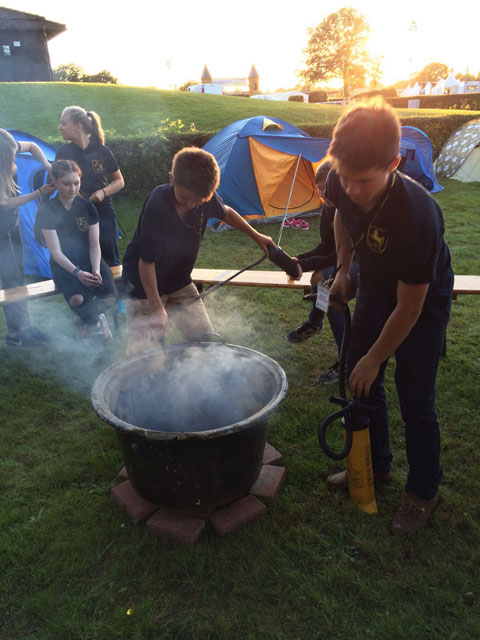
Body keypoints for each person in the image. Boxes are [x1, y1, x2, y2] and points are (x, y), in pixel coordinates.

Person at [324, 98, 454, 534]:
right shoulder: (341, 177)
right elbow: (340, 215)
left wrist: (376, 356)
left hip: (422, 303)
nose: (352, 189)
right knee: (360, 382)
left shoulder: (419, 216)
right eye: (345, 177)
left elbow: (411, 307)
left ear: (394, 164)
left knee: (414, 397)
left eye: (364, 181)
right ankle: (376, 465)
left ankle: (423, 490)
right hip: (376, 286)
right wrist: (344, 269)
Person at [122, 147, 275, 355]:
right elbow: (146, 262)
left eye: (199, 201)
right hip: (142, 285)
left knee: (204, 340)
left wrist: (257, 236)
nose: (192, 205)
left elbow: (226, 212)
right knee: (146, 356)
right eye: (185, 198)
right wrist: (157, 308)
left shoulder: (203, 194)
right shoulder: (157, 205)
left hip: (179, 280)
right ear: (172, 179)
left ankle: (193, 373)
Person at [285, 159, 359, 383]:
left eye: (326, 189)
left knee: (329, 290)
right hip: (343, 261)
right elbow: (326, 247)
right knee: (323, 281)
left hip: (364, 263)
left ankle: (347, 362)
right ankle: (315, 322)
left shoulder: (350, 207)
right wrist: (299, 260)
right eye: (318, 189)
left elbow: (342, 255)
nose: (322, 194)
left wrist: (308, 266)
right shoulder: (327, 210)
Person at [36, 160, 117, 342]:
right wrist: (76, 273)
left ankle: (86, 321)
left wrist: (96, 269)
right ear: (55, 181)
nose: (72, 188)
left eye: (76, 183)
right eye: (66, 184)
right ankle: (95, 323)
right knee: (77, 300)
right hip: (63, 264)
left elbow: (94, 245)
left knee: (110, 296)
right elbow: (55, 252)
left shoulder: (87, 206)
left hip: (89, 258)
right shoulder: (48, 210)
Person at [0, 129, 55, 347]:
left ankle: (24, 326)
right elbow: (5, 202)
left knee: (18, 276)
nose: (14, 160)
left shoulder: (7, 144)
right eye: (10, 157)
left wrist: (47, 165)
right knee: (11, 279)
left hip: (11, 227)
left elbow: (32, 146)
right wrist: (39, 193)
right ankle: (15, 334)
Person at [55, 106, 124, 269]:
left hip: (103, 212)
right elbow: (55, 183)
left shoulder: (102, 151)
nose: (60, 128)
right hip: (76, 214)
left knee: (110, 261)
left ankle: (113, 286)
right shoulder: (63, 152)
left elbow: (119, 181)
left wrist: (103, 192)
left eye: (64, 123)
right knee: (82, 260)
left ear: (78, 126)